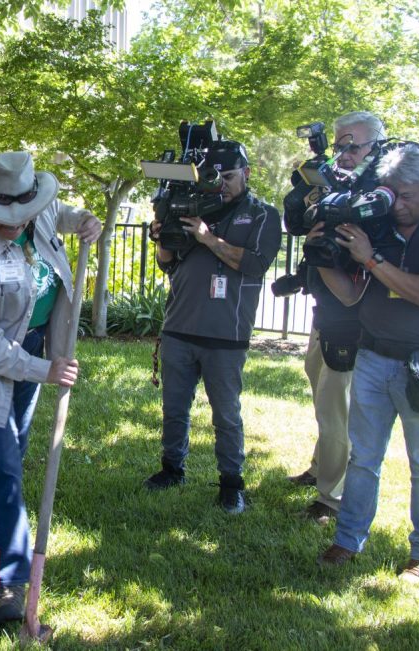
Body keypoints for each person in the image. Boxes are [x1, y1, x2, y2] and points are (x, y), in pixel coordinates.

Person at [0, 152, 101, 624]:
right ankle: (11, 584)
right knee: (9, 465)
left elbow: (65, 216)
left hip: (31, 349)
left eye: (17, 217)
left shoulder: (42, 210)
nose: (9, 225)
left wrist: (85, 221)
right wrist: (44, 370)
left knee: (14, 447)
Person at [315, 144, 419, 582]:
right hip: (373, 356)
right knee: (365, 458)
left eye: (408, 195)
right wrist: (319, 255)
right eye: (390, 193)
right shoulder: (376, 223)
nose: (397, 204)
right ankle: (348, 539)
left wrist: (370, 258)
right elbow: (349, 294)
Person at [144, 140, 282, 514]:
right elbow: (169, 264)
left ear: (248, 174)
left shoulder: (263, 215)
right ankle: (172, 469)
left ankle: (231, 484)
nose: (222, 184)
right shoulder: (192, 205)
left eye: (231, 177)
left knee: (226, 415)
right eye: (217, 177)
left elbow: (254, 264)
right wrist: (163, 237)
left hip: (226, 335)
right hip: (179, 327)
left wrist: (207, 237)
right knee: (174, 408)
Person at [287, 111, 386, 525]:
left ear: (375, 147)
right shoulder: (334, 184)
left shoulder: (380, 192)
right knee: (322, 396)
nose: (343, 153)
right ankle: (321, 467)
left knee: (336, 408)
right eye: (340, 144)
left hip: (351, 316)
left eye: (354, 145)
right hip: (323, 309)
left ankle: (332, 496)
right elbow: (295, 220)